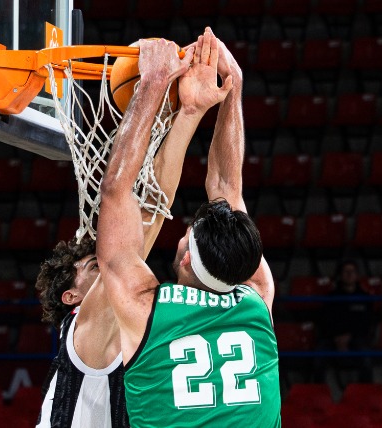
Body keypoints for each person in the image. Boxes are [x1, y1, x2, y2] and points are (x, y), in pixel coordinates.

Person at [35, 28, 234, 427]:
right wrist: (159, 91)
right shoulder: (84, 330)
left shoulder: (125, 333)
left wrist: (190, 113)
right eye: (93, 267)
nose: (107, 263)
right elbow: (148, 218)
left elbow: (150, 211)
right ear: (72, 298)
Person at [97, 28, 280, 427]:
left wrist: (152, 86)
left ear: (183, 256)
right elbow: (228, 192)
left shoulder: (146, 308)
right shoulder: (257, 302)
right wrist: (233, 89)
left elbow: (116, 192)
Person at [318, 259, 374, 384]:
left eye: (352, 271)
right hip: (333, 338)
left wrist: (350, 337)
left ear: (357, 275)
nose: (349, 274)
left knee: (366, 357)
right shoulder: (331, 298)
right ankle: (318, 393)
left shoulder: (364, 298)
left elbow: (367, 323)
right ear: (340, 275)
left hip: (356, 338)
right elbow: (325, 321)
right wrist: (337, 337)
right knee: (318, 356)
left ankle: (366, 393)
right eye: (346, 271)